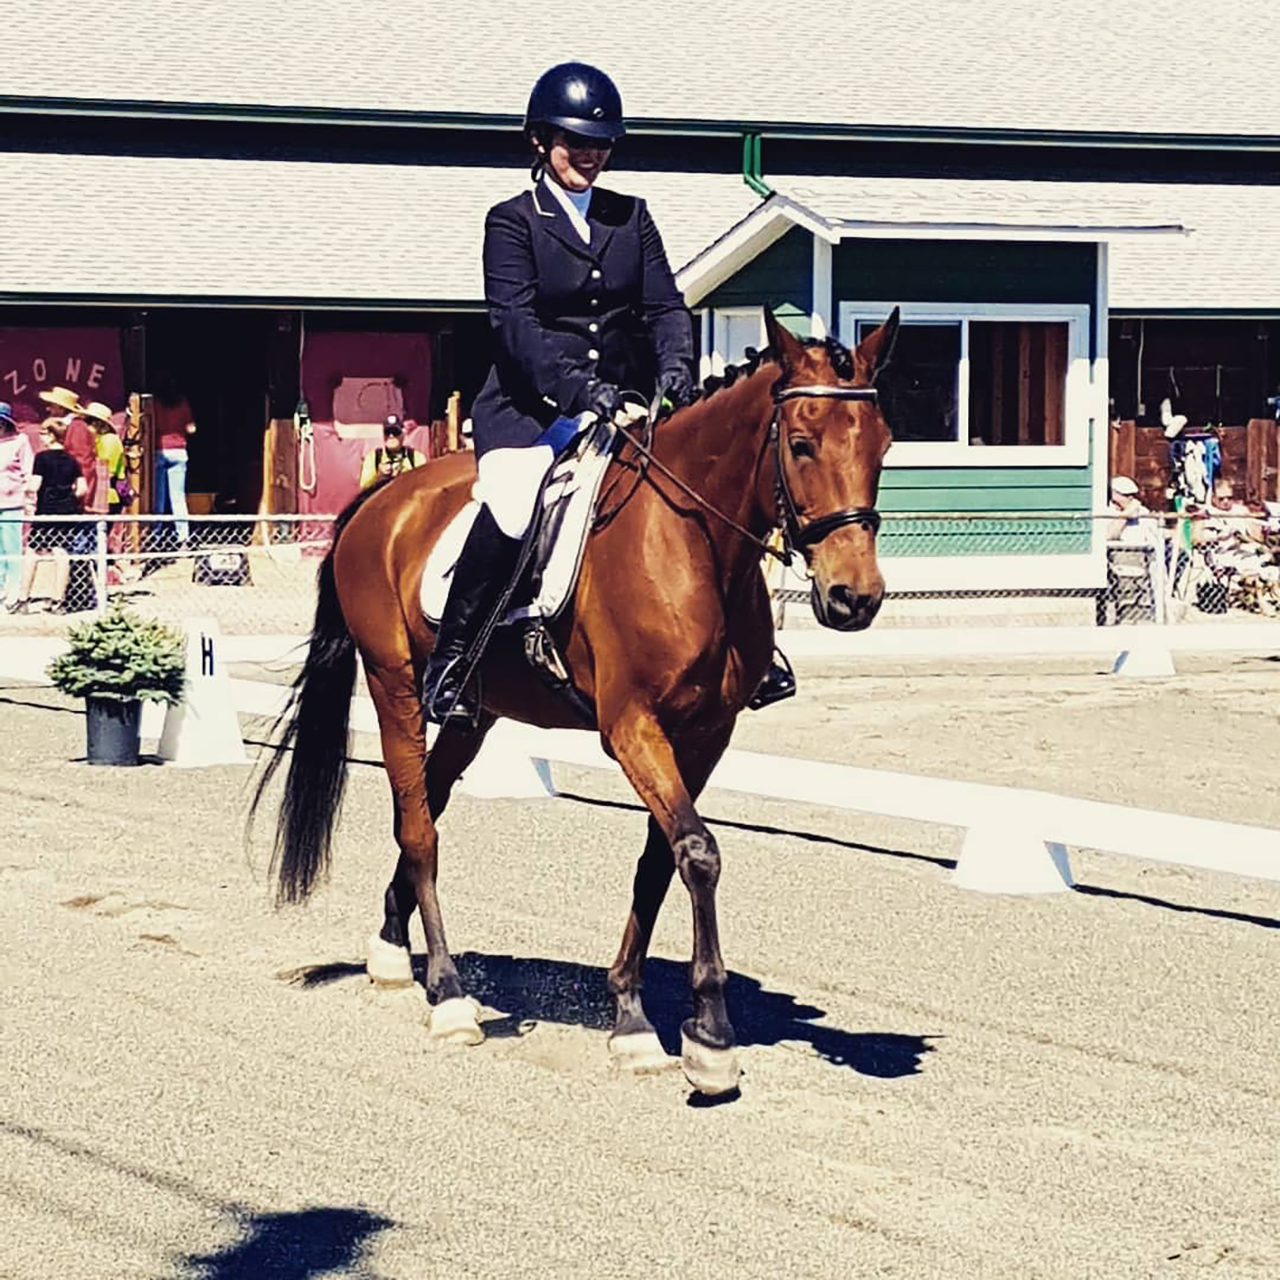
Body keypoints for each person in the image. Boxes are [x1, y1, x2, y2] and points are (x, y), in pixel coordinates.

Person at [421, 61, 699, 723]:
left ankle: (745, 649)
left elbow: (665, 308)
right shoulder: (513, 221)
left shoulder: (631, 217)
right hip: (529, 411)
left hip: (622, 407)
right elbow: (514, 327)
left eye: (600, 144)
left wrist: (675, 373)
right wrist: (585, 392)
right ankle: (454, 663)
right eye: (576, 143)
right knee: (516, 504)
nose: (590, 156)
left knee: (694, 491)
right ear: (541, 142)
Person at [12, 418, 86, 613]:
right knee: (61, 552)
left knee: (32, 552)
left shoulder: (42, 458)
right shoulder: (72, 460)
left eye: (44, 433)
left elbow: (34, 485)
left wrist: (27, 491)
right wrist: (67, 495)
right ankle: (58, 600)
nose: (41, 436)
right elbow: (82, 489)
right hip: (67, 511)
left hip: (46, 511)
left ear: (53, 435)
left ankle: (23, 599)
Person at [152, 372, 196, 548]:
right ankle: (183, 538)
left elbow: (152, 426)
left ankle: (155, 537)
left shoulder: (155, 404)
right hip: (179, 451)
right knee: (178, 498)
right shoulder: (183, 403)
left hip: (160, 450)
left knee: (159, 499)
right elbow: (191, 428)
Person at [0, 402, 34, 610]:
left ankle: (13, 591)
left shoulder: (20, 441)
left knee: (12, 549)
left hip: (12, 503)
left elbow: (28, 471)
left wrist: (30, 501)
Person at [359, 415, 425, 491]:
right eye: (387, 432)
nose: (391, 436)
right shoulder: (373, 458)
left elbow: (424, 485)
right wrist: (379, 475)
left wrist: (405, 474)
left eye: (395, 432)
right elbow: (363, 487)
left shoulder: (416, 458)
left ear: (402, 435)